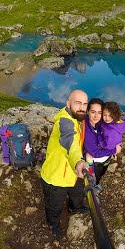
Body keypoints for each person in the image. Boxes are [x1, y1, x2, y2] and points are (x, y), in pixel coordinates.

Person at [40, 89, 91, 239]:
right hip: (56, 177)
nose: (82, 107)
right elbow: (69, 141)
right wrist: (79, 161)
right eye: (77, 103)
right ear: (68, 104)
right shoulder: (65, 120)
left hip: (71, 172)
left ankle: (75, 208)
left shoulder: (78, 117)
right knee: (55, 205)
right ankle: (53, 223)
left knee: (77, 193)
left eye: (85, 104)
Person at [84, 98, 122, 185]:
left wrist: (118, 144)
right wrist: (115, 150)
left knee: (102, 174)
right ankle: (94, 184)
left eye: (100, 112)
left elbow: (115, 134)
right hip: (96, 163)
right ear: (88, 111)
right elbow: (95, 153)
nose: (96, 116)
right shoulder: (87, 130)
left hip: (105, 159)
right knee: (97, 177)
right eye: (93, 112)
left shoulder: (101, 122)